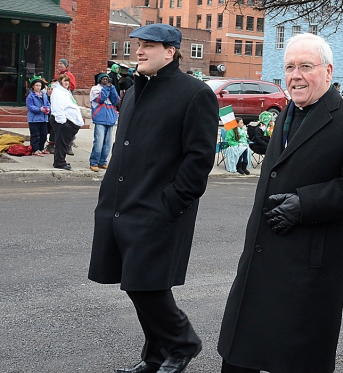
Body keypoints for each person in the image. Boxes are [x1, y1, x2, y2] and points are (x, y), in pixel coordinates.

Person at [217, 33, 343, 373]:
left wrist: (305, 204)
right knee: (239, 357)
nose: (296, 75)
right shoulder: (286, 113)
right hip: (261, 261)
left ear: (328, 71)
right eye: (290, 67)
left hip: (306, 268)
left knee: (293, 359)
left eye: (306, 66)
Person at [88, 23, 219, 373]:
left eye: (149, 45)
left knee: (147, 285)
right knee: (136, 284)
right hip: (120, 205)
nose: (139, 51)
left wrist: (171, 202)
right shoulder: (133, 91)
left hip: (158, 210)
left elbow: (199, 158)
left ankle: (183, 343)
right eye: (138, 44)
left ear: (170, 51)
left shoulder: (195, 93)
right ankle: (154, 357)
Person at [50, 74, 83, 170]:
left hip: (67, 120)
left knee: (64, 143)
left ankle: (60, 160)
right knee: (61, 143)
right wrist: (62, 122)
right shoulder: (57, 92)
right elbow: (58, 107)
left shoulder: (65, 92)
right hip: (61, 121)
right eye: (64, 81)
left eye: (67, 81)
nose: (66, 83)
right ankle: (59, 162)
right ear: (60, 82)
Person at [89, 73, 119, 172]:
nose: (105, 80)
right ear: (99, 80)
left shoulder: (110, 88)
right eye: (103, 79)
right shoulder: (95, 89)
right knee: (99, 142)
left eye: (107, 79)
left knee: (108, 143)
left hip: (110, 118)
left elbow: (115, 100)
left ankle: (103, 162)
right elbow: (100, 99)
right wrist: (106, 89)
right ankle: (94, 162)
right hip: (100, 118)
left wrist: (112, 88)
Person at [26, 76, 51, 156]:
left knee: (44, 134)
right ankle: (35, 149)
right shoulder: (30, 96)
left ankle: (41, 148)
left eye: (39, 86)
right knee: (35, 135)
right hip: (34, 119)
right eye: (36, 85)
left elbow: (47, 104)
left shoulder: (44, 95)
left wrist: (48, 109)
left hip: (43, 118)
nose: (38, 87)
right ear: (33, 86)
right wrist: (39, 109)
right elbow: (30, 106)